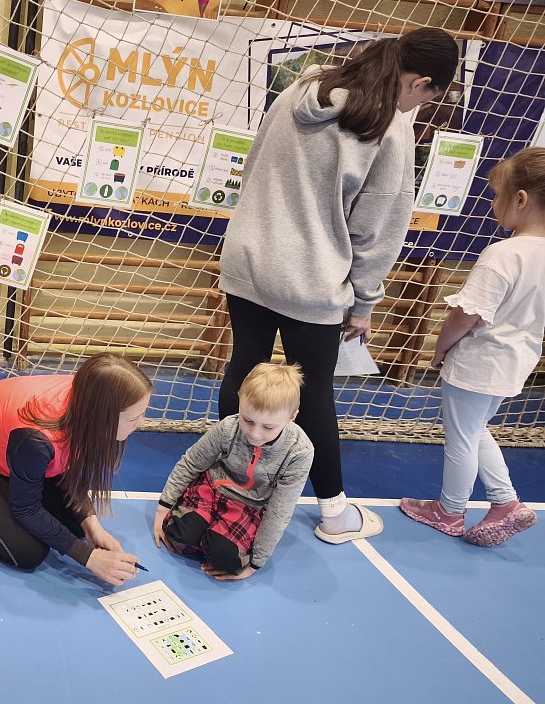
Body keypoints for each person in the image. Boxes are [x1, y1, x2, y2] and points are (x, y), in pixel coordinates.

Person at [217, 27, 460, 544]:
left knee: (244, 370)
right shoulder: (390, 128)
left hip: (247, 258)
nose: (418, 107)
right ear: (418, 82)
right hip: (310, 278)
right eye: (425, 98)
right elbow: (379, 228)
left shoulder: (302, 87)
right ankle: (333, 513)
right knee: (314, 394)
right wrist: (365, 301)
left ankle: (226, 489)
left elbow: (255, 164)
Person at [401, 148, 544, 546]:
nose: (493, 204)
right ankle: (505, 500)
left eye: (497, 195)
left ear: (520, 199)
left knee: (461, 437)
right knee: (475, 429)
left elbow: (466, 315)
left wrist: (440, 347)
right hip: (515, 363)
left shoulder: (504, 254)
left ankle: (449, 511)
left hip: (479, 361)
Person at [0, 354, 152, 585]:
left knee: (75, 527)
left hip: (16, 454)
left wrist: (92, 525)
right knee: (28, 553)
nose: (142, 423)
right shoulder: (36, 439)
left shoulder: (92, 393)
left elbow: (70, 471)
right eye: (134, 418)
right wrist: (89, 558)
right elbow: (26, 509)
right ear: (103, 417)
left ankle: (12, 483)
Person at [154, 362, 313, 580]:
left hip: (248, 506)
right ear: (239, 399)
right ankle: (204, 528)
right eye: (248, 420)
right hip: (211, 488)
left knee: (227, 560)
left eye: (268, 427)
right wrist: (162, 508)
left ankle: (213, 535)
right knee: (178, 537)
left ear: (292, 417)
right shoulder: (228, 428)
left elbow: (279, 510)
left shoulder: (299, 451)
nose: (255, 434)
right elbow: (191, 462)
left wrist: (255, 564)